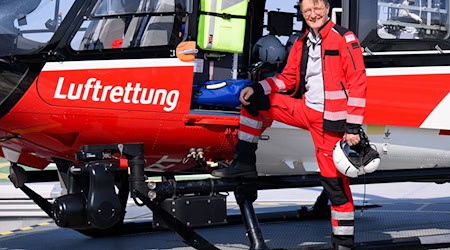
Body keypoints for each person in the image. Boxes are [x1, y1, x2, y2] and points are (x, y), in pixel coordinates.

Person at [211, 0, 367, 249]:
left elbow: (358, 81)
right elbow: (288, 78)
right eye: (307, 10)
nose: (313, 14)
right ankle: (245, 163)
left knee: (335, 185)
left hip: (331, 122)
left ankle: (343, 243)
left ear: (327, 8)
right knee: (255, 103)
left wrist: (352, 127)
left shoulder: (344, 38)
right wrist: (258, 88)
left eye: (317, 8)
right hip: (305, 110)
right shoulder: (302, 41)